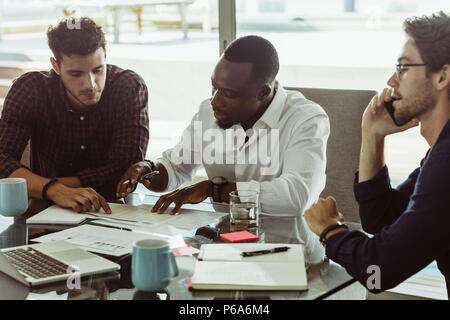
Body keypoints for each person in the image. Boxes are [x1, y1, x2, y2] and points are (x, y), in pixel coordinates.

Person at [117, 35, 330, 262]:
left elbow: (297, 196)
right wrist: (149, 170)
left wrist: (215, 190)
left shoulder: (306, 119)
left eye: (229, 94)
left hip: (291, 253)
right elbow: (176, 166)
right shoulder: (208, 113)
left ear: (263, 93)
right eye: (214, 87)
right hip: (224, 247)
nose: (215, 101)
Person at [304, 11, 450, 298]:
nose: (391, 81)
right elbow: (382, 219)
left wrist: (329, 229)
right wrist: (372, 135)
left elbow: (379, 270)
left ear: (443, 76)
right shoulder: (440, 154)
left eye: (403, 68)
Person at [0, 17, 149, 214]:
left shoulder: (128, 86)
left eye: (98, 70)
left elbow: (126, 168)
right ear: (56, 66)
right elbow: (2, 159)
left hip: (112, 209)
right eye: (76, 74)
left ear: (105, 54)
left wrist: (49, 186)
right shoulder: (31, 89)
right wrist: (54, 190)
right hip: (45, 209)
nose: (91, 84)